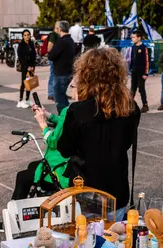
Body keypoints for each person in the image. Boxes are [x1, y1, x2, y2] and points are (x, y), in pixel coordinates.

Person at [58, 48, 141, 221]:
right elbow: (125, 144)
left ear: (86, 75)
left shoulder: (78, 111)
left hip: (86, 191)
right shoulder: (131, 108)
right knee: (115, 241)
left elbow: (64, 148)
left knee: (85, 243)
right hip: (117, 190)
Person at [0, 85, 71, 232]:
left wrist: (42, 123)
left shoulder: (70, 111)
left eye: (74, 86)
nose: (71, 88)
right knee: (32, 167)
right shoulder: (79, 111)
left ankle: (12, 221)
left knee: (22, 176)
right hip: (68, 164)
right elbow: (64, 124)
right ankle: (25, 212)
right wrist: (48, 115)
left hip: (61, 169)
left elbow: (52, 140)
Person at [47, 21, 75, 114]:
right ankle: (66, 116)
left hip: (60, 73)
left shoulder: (62, 42)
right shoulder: (70, 41)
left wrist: (50, 52)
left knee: (59, 98)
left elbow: (51, 56)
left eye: (57, 28)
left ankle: (63, 119)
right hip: (67, 72)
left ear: (60, 29)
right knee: (62, 96)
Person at [129, 30, 149, 113]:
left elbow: (147, 61)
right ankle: (129, 104)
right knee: (132, 88)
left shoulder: (144, 48)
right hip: (134, 71)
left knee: (141, 89)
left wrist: (146, 73)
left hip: (141, 73)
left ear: (139, 38)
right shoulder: (133, 47)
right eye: (132, 37)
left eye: (134, 37)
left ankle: (145, 105)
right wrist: (131, 69)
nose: (132, 39)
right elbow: (132, 59)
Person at [16, 29, 36, 108]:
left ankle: (27, 99)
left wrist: (32, 66)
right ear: (23, 36)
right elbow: (20, 58)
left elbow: (34, 55)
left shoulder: (31, 44)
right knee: (24, 83)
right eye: (25, 35)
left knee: (29, 83)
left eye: (28, 35)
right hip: (25, 67)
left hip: (31, 67)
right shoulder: (21, 45)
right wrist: (27, 66)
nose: (27, 36)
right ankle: (20, 100)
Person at [46, 23, 60, 101]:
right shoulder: (53, 35)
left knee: (55, 75)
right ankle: (51, 94)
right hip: (53, 58)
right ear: (57, 27)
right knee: (53, 75)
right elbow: (49, 46)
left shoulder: (57, 35)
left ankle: (54, 93)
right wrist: (52, 54)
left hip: (56, 58)